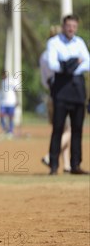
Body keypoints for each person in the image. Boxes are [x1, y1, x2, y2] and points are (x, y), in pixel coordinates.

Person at [46, 14, 89, 175]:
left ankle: (75, 165)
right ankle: (54, 165)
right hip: (61, 90)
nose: (71, 29)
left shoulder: (80, 43)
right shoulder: (54, 43)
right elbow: (53, 64)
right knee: (58, 128)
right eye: (68, 25)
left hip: (78, 89)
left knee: (77, 130)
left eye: (74, 26)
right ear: (63, 26)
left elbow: (88, 63)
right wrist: (73, 62)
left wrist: (67, 65)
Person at [39, 25, 71, 173]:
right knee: (69, 131)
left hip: (51, 93)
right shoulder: (59, 54)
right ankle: (49, 156)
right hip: (62, 92)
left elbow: (44, 80)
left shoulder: (44, 55)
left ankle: (66, 165)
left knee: (61, 129)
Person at [0, 70, 17, 139]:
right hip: (4, 102)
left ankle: (10, 131)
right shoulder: (2, 82)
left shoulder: (12, 80)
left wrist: (17, 100)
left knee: (11, 117)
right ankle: (5, 129)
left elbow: (16, 90)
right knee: (1, 115)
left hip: (11, 102)